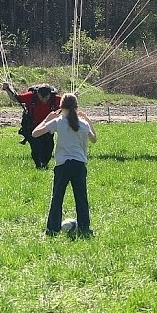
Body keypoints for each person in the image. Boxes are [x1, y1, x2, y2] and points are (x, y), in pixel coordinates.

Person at [32, 93, 97, 236]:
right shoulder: (83, 124)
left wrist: (47, 119)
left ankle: (52, 229)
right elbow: (94, 139)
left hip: (62, 165)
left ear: (61, 107)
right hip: (79, 165)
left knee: (57, 197)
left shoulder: (59, 122)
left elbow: (35, 133)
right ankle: (84, 228)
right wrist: (88, 119)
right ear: (76, 107)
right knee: (81, 198)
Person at [2, 82, 62, 168]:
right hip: (32, 127)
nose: (44, 100)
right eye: (42, 98)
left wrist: (74, 97)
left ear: (50, 94)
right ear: (38, 94)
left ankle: (44, 164)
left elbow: (68, 101)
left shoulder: (55, 98)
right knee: (36, 147)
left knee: (49, 147)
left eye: (46, 98)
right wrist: (7, 89)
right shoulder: (31, 96)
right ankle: (38, 165)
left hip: (47, 128)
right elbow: (16, 98)